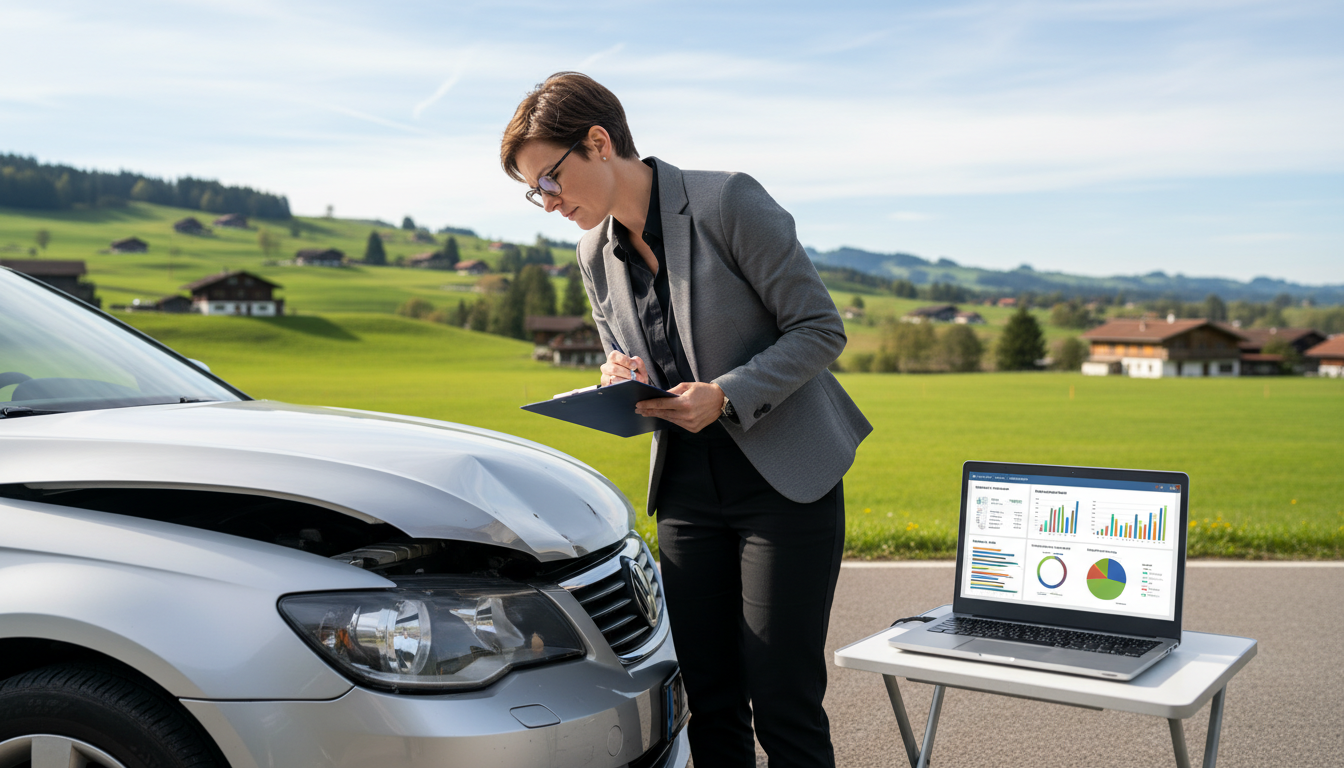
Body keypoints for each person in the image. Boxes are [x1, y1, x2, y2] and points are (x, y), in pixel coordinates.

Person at [500, 72, 871, 768]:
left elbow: (820, 329)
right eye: (534, 193)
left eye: (550, 181)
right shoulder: (590, 253)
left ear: (600, 142)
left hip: (784, 483)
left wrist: (725, 394)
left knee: (782, 694)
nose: (547, 204)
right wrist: (621, 377)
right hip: (687, 493)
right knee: (710, 696)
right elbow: (623, 351)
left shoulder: (727, 200)